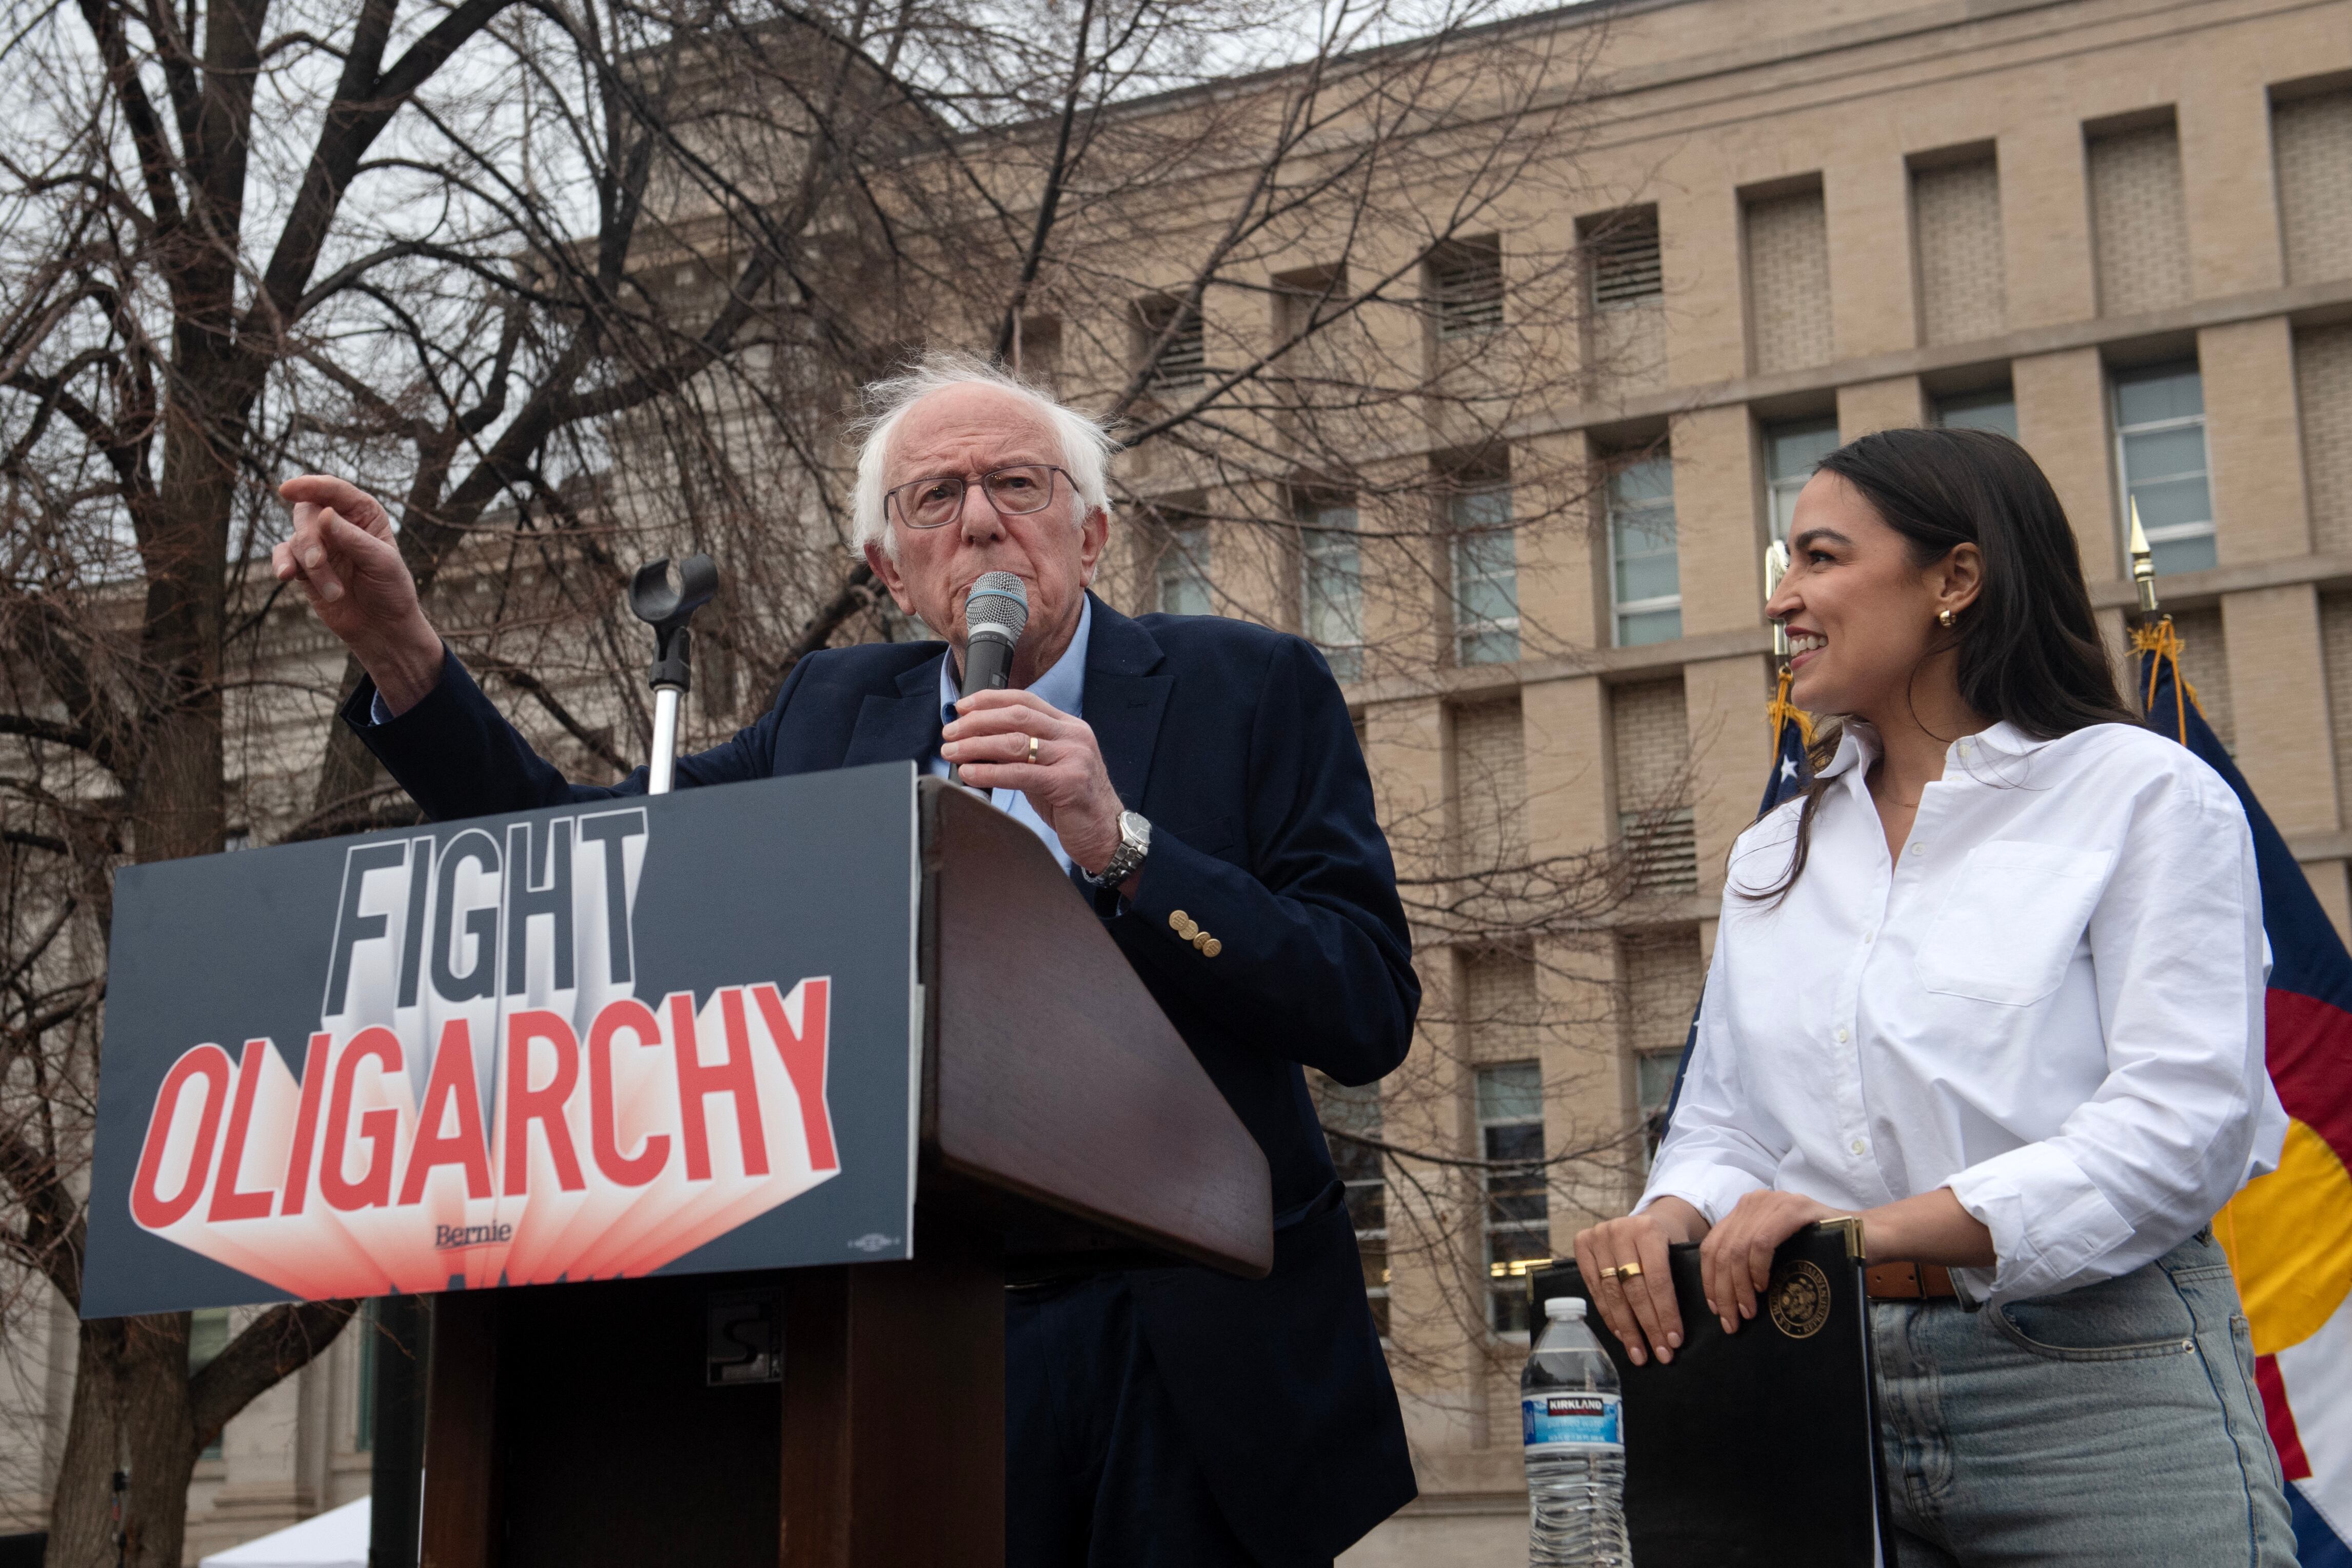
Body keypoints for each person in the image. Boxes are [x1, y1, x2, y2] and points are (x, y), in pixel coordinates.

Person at [272, 351, 1419, 1568]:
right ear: (889, 569)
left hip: (1191, 1346)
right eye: (934, 498)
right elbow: (589, 854)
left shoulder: (1250, 690)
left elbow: (1362, 1001)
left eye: (1017, 484)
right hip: (910, 1339)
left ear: (1090, 534)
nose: (981, 520)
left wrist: (1122, 840)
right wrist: (406, 656)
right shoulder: (827, 714)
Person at [1572, 426, 2296, 1566]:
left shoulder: (2145, 797)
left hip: (2092, 1393)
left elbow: (2181, 1125)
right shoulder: (1773, 850)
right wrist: (1672, 1217)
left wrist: (1867, 1230)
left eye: (1817, 558)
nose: (1780, 599)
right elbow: (1731, 1121)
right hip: (1809, 1386)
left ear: (1955, 578)